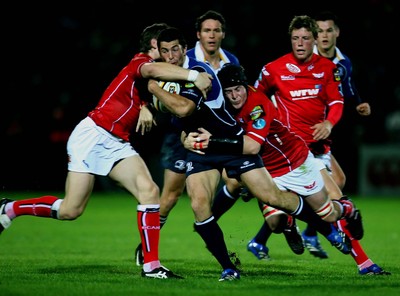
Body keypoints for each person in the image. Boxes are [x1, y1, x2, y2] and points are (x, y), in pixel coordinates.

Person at [0, 22, 214, 280]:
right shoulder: (141, 61)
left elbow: (152, 92)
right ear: (153, 46)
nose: (170, 54)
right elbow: (151, 70)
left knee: (149, 191)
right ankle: (11, 209)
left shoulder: (153, 78)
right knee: (71, 210)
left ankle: (152, 266)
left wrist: (146, 105)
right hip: (92, 136)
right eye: (163, 46)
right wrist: (194, 76)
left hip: (117, 142)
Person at [147, 27, 352, 281]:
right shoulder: (170, 78)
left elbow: (185, 108)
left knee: (273, 197)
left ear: (185, 48)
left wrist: (154, 90)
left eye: (175, 48)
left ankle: (326, 227)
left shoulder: (199, 71)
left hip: (231, 144)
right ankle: (228, 267)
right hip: (203, 149)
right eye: (165, 51)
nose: (171, 55)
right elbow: (181, 122)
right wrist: (184, 139)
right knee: (199, 204)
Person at [252, 15, 389, 275]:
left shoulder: (328, 68)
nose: (300, 43)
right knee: (276, 222)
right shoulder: (274, 69)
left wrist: (329, 123)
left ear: (314, 41)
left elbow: (336, 102)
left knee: (334, 201)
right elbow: (255, 101)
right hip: (282, 152)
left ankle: (365, 263)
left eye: (305, 38)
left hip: (312, 152)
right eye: (295, 39)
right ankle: (290, 224)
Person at [184, 63, 364, 259]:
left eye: (238, 89)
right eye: (228, 92)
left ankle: (347, 209)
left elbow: (252, 146)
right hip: (265, 168)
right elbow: (194, 123)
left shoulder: (257, 104)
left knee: (328, 214)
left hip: (293, 162)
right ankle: (288, 225)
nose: (234, 96)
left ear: (246, 86)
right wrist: (186, 140)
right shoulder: (223, 105)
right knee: (274, 223)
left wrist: (212, 141)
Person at [135, 10, 241, 266]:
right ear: (198, 36)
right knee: (170, 196)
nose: (212, 35)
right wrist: (143, 106)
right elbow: (139, 85)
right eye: (207, 30)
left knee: (236, 182)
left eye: (216, 30)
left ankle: (209, 225)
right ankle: (147, 246)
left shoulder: (206, 67)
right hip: (179, 134)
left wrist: (155, 90)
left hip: (210, 133)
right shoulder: (172, 64)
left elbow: (186, 105)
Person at [300, 10, 388, 275]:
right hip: (302, 143)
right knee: (338, 199)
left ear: (336, 32)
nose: (323, 36)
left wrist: (355, 104)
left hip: (319, 142)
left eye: (328, 30)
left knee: (336, 182)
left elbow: (342, 94)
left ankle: (307, 229)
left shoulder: (339, 65)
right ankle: (361, 259)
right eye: (318, 32)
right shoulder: (294, 67)